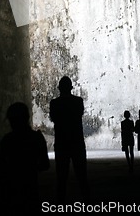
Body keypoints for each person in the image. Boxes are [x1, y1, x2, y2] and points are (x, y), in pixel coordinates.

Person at [0, 101, 50, 214]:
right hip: (31, 190)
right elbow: (45, 165)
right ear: (27, 117)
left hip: (11, 192)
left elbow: (1, 167)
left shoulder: (7, 140)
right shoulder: (36, 138)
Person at [49, 75, 89, 203]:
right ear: (71, 88)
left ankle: (60, 205)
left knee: (61, 177)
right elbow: (79, 115)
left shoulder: (54, 103)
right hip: (77, 142)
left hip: (61, 143)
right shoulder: (78, 101)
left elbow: (54, 118)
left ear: (59, 88)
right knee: (82, 176)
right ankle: (87, 203)